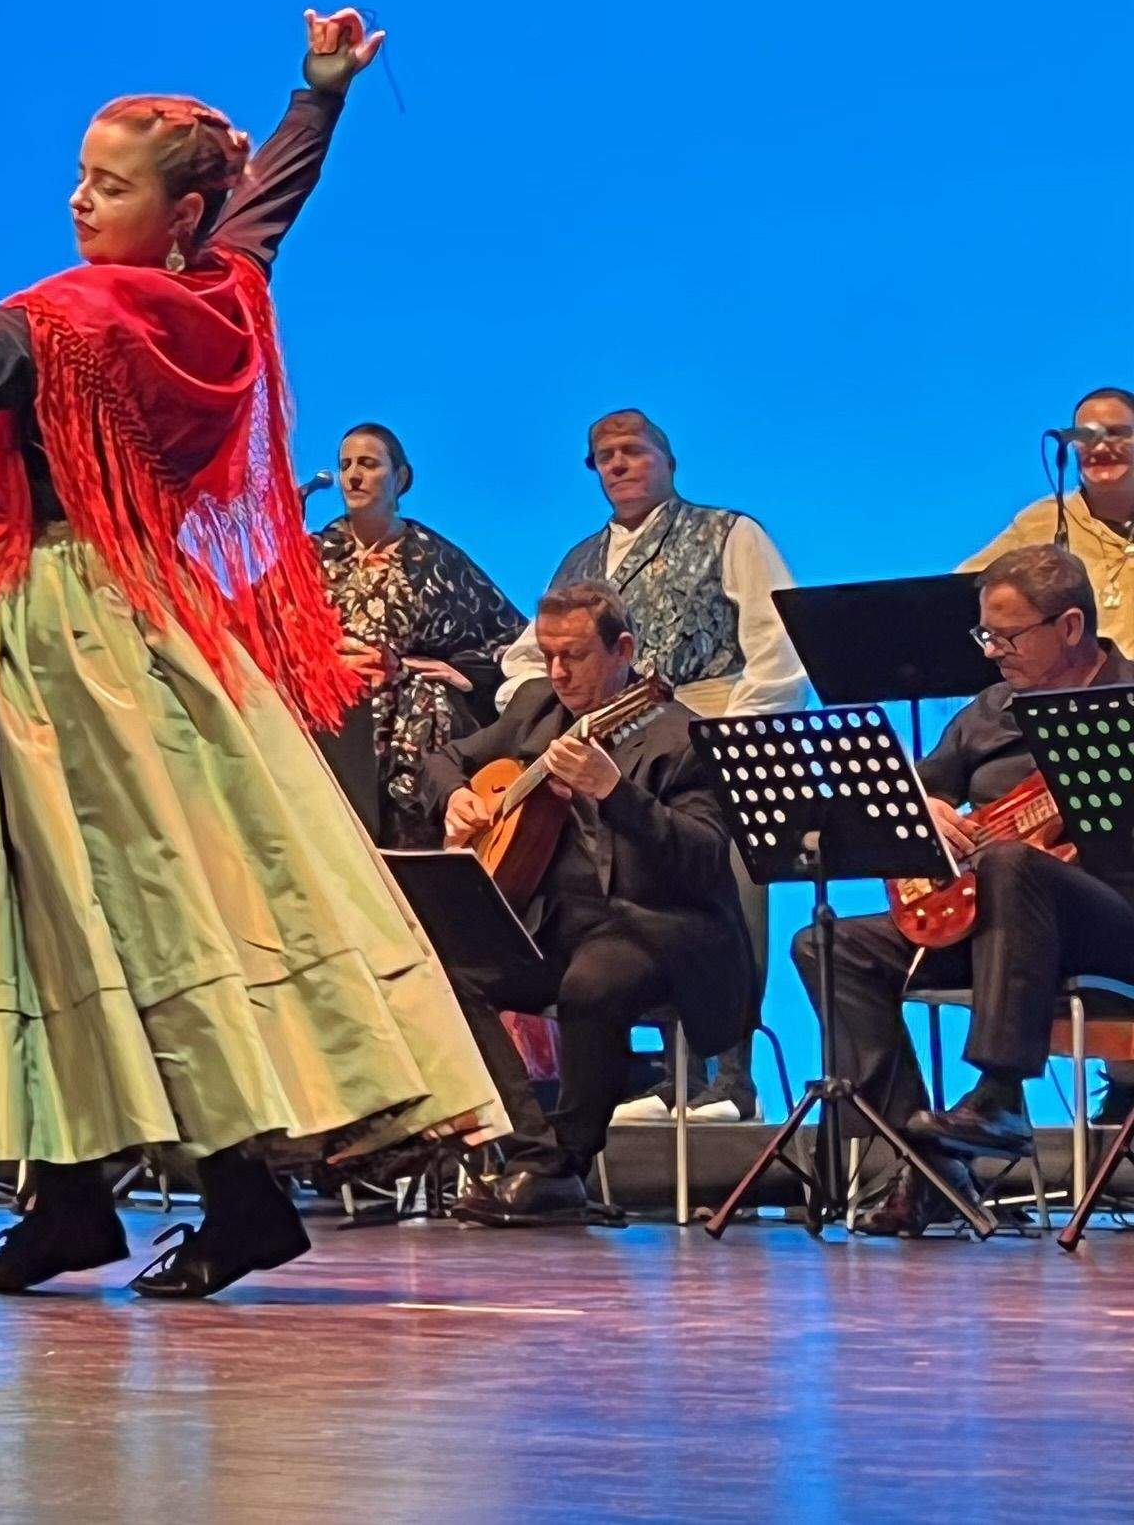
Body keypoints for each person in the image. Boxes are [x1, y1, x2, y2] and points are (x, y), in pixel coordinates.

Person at [0, 10, 502, 1300]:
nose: (76, 204)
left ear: (173, 214)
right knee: (47, 911)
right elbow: (266, 208)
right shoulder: (216, 295)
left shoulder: (78, 323)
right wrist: (318, 98)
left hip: (61, 636)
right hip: (144, 619)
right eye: (77, 178)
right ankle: (67, 1199)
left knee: (117, 906)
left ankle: (236, 1193)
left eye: (106, 187)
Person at [790, 544, 1134, 1235]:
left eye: (1007, 637)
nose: (991, 652)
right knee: (827, 945)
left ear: (1070, 627)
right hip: (993, 926)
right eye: (986, 635)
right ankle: (928, 1172)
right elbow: (920, 783)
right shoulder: (991, 708)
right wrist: (929, 809)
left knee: (1011, 862)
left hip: (1110, 921)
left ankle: (1001, 1095)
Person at [412, 583, 754, 1226]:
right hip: (556, 922)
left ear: (623, 651)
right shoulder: (540, 709)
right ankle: (532, 1152)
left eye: (573, 655)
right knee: (449, 976)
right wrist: (455, 795)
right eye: (547, 656)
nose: (558, 672)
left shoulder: (682, 736)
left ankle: (563, 1163)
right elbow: (444, 760)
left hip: (662, 928)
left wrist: (615, 792)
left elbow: (706, 857)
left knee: (592, 982)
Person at [499, 410, 802, 1121]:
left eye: (632, 451)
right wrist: (543, 714)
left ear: (667, 459)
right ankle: (659, 1078)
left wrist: (729, 736)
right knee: (621, 903)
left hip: (708, 731)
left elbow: (775, 642)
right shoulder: (580, 561)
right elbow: (524, 659)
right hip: (610, 745)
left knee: (723, 889)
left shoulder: (729, 534)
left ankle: (730, 1075)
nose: (618, 465)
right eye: (602, 456)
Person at [314, 422, 521, 844]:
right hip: (329, 718)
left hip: (407, 724)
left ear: (400, 478)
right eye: (345, 465)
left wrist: (430, 667)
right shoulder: (317, 552)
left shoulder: (434, 559)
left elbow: (511, 642)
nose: (353, 475)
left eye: (368, 464)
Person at [958, 386, 1132, 644]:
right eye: (1086, 435)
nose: (1100, 445)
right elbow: (958, 599)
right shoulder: (1041, 522)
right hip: (1077, 682)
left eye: (1117, 433)